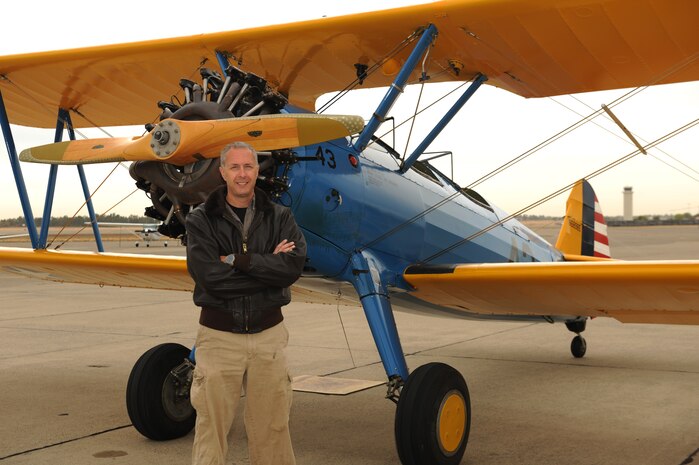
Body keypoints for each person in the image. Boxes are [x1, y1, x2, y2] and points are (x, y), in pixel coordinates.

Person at [185, 141, 306, 465]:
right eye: (235, 167)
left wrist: (238, 260)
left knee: (274, 432)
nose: (242, 174)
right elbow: (211, 279)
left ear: (257, 171)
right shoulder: (200, 220)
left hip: (269, 338)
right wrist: (269, 266)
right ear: (222, 172)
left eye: (248, 166)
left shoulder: (281, 216)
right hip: (218, 339)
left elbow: (292, 268)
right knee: (211, 432)